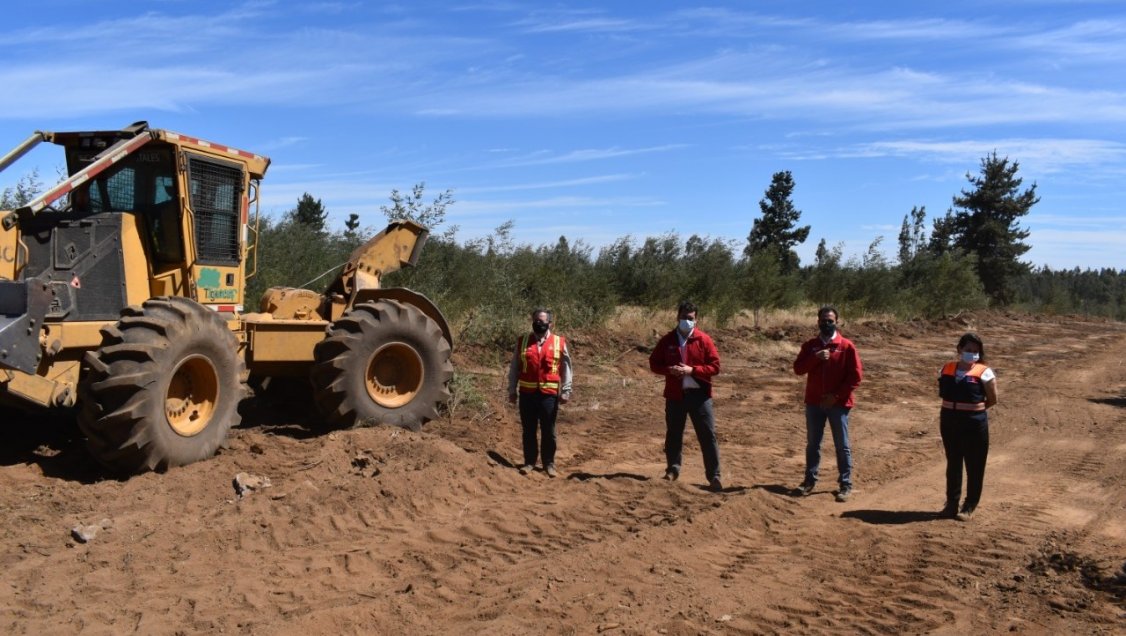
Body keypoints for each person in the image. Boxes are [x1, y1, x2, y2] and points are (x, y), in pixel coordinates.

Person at [648, 301, 723, 492]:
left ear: (696, 319)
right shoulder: (667, 340)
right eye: (683, 317)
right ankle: (672, 469)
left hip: (700, 397)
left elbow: (715, 367)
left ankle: (714, 476)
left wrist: (692, 370)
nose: (686, 321)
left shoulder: (704, 340)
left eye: (690, 318)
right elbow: (654, 363)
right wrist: (668, 370)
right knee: (673, 434)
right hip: (675, 396)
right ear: (677, 317)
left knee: (707, 435)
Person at [792, 305, 863, 502]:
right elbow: (798, 369)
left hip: (838, 405)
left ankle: (845, 484)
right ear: (818, 322)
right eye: (823, 320)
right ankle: (809, 481)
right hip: (814, 403)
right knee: (813, 444)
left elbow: (855, 377)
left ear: (837, 322)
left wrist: (837, 396)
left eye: (830, 320)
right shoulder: (810, 346)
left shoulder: (846, 346)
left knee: (842, 445)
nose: (827, 323)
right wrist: (814, 359)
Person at [938, 332, 998, 522]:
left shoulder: (984, 372)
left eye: (975, 351)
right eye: (968, 350)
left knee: (975, 465)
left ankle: (969, 506)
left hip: (974, 423)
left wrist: (973, 410)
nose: (971, 354)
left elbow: (992, 399)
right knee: (953, 463)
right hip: (949, 421)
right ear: (959, 350)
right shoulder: (946, 368)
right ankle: (951, 504)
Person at [507, 308, 572, 478]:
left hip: (548, 394)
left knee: (548, 430)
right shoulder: (522, 341)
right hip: (527, 394)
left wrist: (566, 390)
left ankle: (549, 464)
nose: (538, 323)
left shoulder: (559, 342)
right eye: (536, 320)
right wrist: (511, 390)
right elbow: (514, 367)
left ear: (550, 323)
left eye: (542, 321)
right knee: (528, 430)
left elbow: (566, 368)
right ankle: (529, 462)